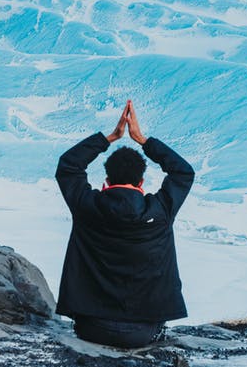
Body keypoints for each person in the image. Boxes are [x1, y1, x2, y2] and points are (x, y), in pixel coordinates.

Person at [55, 100, 195, 348]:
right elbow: (183, 172)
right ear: (141, 182)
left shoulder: (86, 206)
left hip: (90, 329)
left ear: (107, 180)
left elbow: (69, 165)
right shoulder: (160, 211)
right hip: (143, 333)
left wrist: (110, 137)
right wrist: (143, 140)